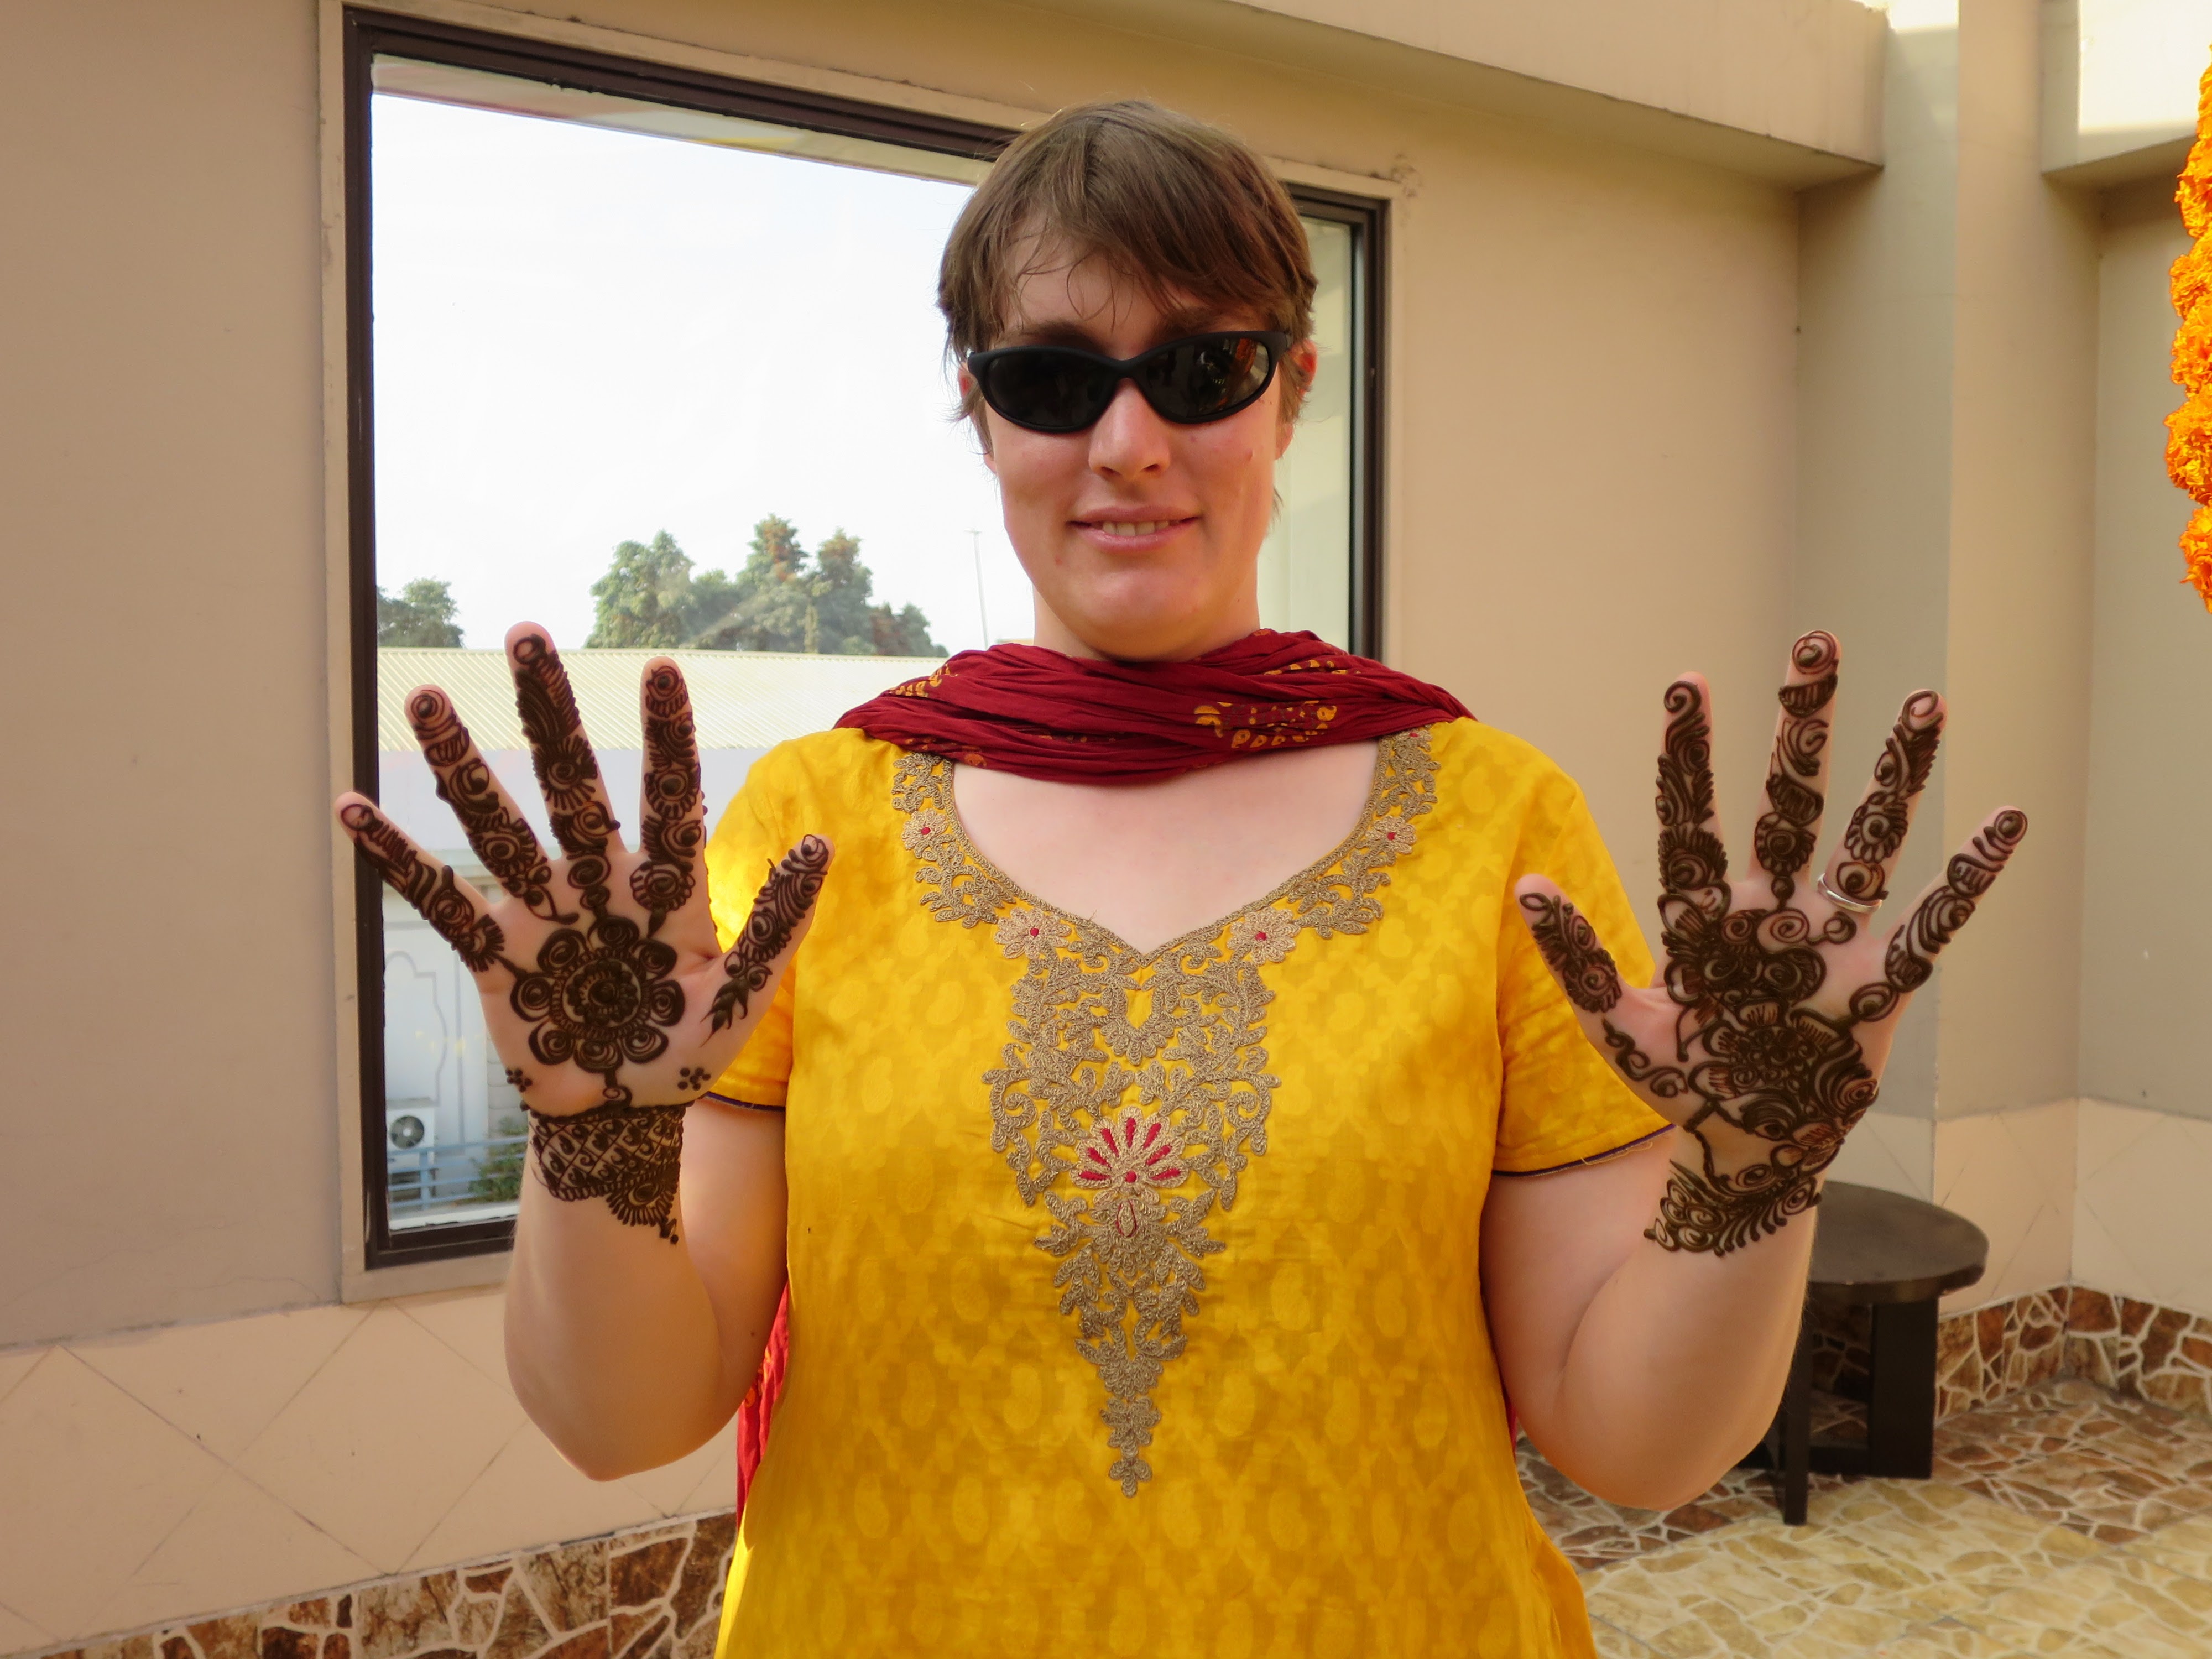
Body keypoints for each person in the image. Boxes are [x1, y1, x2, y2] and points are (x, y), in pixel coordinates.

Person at [337, 100, 2027, 1658]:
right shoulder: (815, 825)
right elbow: (625, 1415)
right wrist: (588, 1139)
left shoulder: (1486, 824)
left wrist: (1757, 1172)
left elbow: (1631, 1445)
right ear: (978, 409)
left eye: (1201, 369)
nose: (1129, 442)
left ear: (1293, 390)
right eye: (1056, 381)